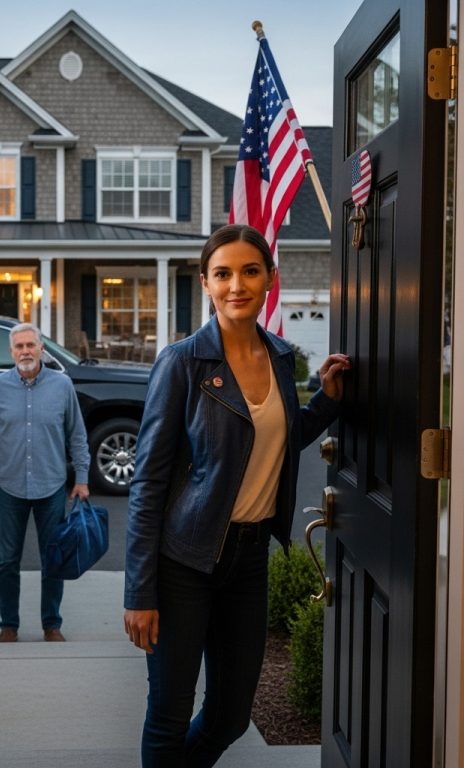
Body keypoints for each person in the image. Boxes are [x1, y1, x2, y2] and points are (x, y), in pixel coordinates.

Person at [123, 224, 351, 766]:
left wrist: (326, 402)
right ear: (205, 282)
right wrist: (139, 591)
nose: (236, 284)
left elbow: (275, 439)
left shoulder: (279, 356)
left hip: (248, 560)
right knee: (170, 714)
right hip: (184, 561)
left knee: (231, 715)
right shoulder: (183, 362)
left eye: (250, 271)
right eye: (222, 273)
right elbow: (148, 482)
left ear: (270, 279)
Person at [0, 322, 91, 643]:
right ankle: (8, 625)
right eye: (19, 347)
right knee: (7, 560)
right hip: (10, 486)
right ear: (11, 352)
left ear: (41, 349)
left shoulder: (62, 385)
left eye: (31, 345)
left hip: (51, 485)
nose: (25, 351)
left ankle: (51, 624)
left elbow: (77, 435)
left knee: (52, 558)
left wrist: (82, 478)